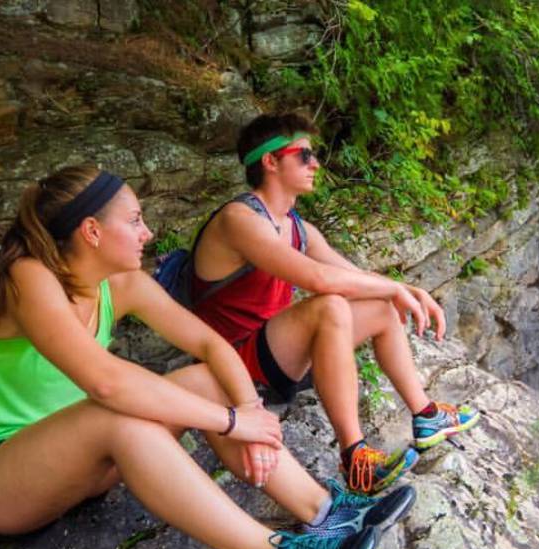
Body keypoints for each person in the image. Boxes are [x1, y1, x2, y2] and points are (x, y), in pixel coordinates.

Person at [0, 165, 415, 549]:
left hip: (74, 464)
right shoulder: (28, 276)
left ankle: (325, 514)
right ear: (91, 231)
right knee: (115, 412)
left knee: (206, 379)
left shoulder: (119, 284)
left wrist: (248, 408)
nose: (148, 233)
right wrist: (228, 422)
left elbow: (210, 343)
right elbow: (106, 381)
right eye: (135, 220)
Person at [187, 113, 479, 495]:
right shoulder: (238, 219)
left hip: (273, 355)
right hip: (234, 365)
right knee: (330, 305)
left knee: (380, 306)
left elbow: (356, 278)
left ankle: (425, 415)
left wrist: (404, 290)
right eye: (304, 155)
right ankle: (355, 458)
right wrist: (394, 288)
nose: (316, 164)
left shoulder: (298, 228)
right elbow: (318, 280)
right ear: (270, 161)